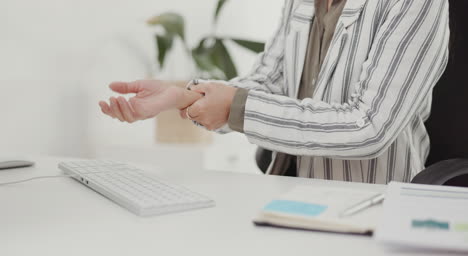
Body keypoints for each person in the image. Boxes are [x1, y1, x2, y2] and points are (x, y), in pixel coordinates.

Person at [99, 0, 450, 184]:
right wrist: (183, 95)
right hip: (288, 195)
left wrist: (237, 108)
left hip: (369, 204)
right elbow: (267, 80)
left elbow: (369, 127)